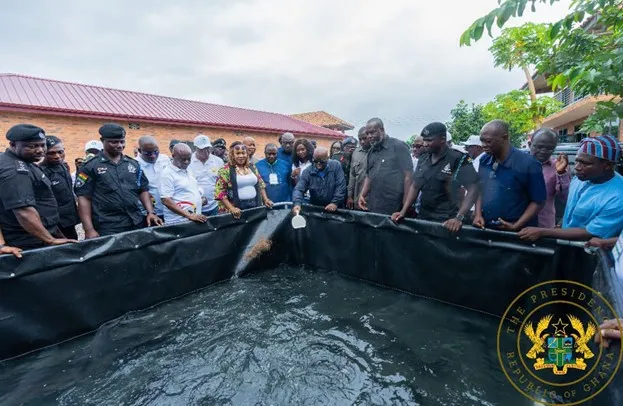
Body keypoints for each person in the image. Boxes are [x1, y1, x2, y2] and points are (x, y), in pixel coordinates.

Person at [518, 135, 623, 241]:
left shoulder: (618, 198)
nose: (577, 167)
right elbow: (569, 206)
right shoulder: (582, 178)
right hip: (566, 244)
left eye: (585, 163)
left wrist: (543, 232)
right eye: (577, 161)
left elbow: (590, 233)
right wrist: (559, 226)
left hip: (588, 249)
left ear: (607, 165)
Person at [75, 123, 163, 238]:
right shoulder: (90, 167)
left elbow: (143, 190)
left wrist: (150, 212)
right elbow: (84, 198)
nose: (120, 145)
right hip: (108, 226)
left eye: (122, 141)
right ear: (102, 141)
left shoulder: (133, 164)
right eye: (114, 142)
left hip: (135, 221)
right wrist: (89, 229)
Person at [392, 122, 480, 233]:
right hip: (423, 218)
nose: (425, 144)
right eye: (424, 140)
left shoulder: (458, 159)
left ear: (442, 139)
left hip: (447, 222)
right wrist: (403, 211)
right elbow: (415, 186)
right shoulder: (423, 159)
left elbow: (474, 188)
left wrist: (459, 217)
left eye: (429, 140)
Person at [0, 124, 76, 249]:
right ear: (13, 145)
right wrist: (50, 240)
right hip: (30, 241)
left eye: (42, 145)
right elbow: (23, 211)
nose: (40, 150)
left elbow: (42, 203)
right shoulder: (15, 171)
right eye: (33, 146)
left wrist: (56, 234)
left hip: (42, 233)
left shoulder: (26, 161)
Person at [472, 120, 546, 231]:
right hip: (487, 228)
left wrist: (516, 225)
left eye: (488, 141)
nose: (483, 145)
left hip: (517, 232)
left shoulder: (529, 164)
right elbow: (480, 189)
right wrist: (478, 214)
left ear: (504, 138)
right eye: (481, 141)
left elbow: (538, 201)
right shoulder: (484, 160)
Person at [358, 118, 413, 215]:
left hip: (394, 207)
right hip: (374, 205)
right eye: (367, 133)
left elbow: (408, 177)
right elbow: (369, 176)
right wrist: (362, 195)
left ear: (382, 130)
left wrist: (405, 207)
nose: (369, 136)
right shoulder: (371, 152)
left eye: (372, 132)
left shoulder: (398, 146)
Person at [214, 141, 273, 219]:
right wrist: (232, 208)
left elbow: (260, 184)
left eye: (243, 153)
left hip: (254, 206)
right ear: (232, 155)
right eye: (238, 153)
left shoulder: (252, 167)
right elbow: (220, 193)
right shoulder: (225, 170)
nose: (241, 156)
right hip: (236, 209)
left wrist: (265, 199)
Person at [39, 135, 80, 240]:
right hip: (55, 225)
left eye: (60, 152)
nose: (57, 156)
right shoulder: (40, 173)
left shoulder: (64, 166)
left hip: (69, 221)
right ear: (43, 153)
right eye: (51, 153)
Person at [529, 128, 570, 228]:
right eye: (539, 147)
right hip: (516, 223)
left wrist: (561, 173)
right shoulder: (518, 163)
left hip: (543, 226)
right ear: (530, 144)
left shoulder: (559, 166)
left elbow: (565, 197)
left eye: (549, 148)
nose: (543, 151)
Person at [160, 143, 208, 225]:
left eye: (189, 159)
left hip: (194, 219)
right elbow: (166, 200)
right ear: (173, 156)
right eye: (183, 159)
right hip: (178, 222)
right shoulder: (167, 174)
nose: (186, 162)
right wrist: (189, 215)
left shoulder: (188, 169)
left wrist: (200, 200)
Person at [292, 147, 346, 215]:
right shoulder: (308, 171)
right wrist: (297, 204)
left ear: (327, 158)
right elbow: (299, 189)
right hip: (316, 209)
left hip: (336, 209)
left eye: (322, 162)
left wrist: (335, 202)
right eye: (316, 161)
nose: (318, 164)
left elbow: (341, 186)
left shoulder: (335, 166)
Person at [188, 134, 224, 216]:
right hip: (195, 207)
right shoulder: (189, 162)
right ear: (195, 148)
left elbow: (222, 183)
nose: (205, 152)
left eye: (207, 148)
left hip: (215, 206)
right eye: (202, 149)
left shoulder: (218, 161)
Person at [136, 136, 170, 222]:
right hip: (148, 214)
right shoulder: (135, 165)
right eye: (148, 153)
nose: (153, 156)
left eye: (156, 152)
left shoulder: (165, 159)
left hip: (168, 210)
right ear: (140, 151)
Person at [347, 127, 371, 210]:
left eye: (364, 138)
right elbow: (352, 176)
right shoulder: (356, 153)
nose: (362, 142)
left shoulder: (377, 151)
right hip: (357, 198)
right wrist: (349, 196)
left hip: (373, 200)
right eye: (360, 139)